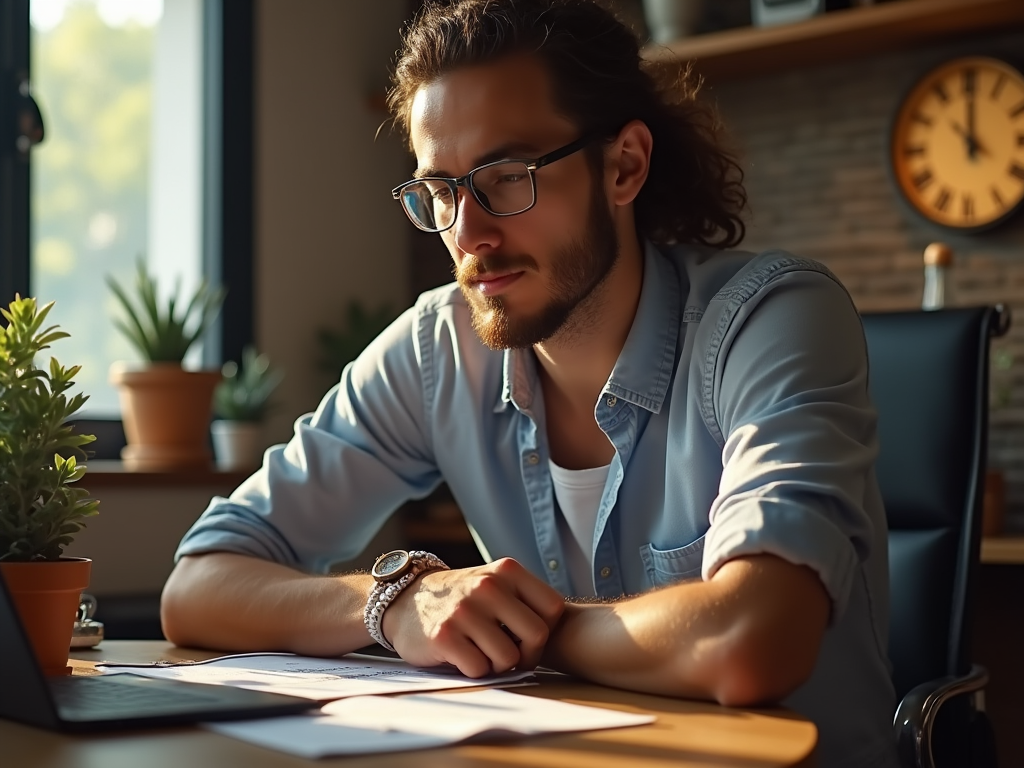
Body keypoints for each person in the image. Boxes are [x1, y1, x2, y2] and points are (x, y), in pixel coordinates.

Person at [161, 1, 898, 765]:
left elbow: (751, 638)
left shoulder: (770, 319)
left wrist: (514, 627)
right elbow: (197, 586)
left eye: (507, 178)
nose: (469, 235)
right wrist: (399, 606)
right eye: (440, 192)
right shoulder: (435, 348)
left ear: (624, 165)